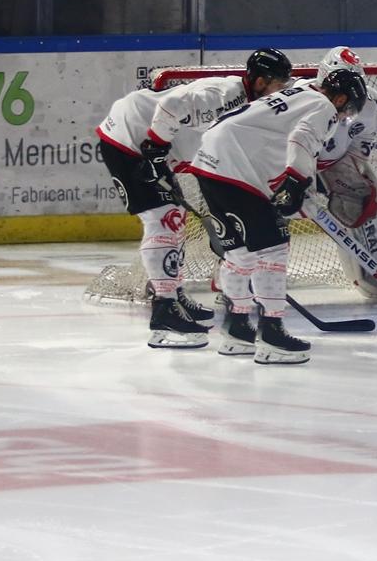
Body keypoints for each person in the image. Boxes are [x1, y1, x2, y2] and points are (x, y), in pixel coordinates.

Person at [95, 48, 293, 348]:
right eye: (279, 83)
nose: (281, 90)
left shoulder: (251, 109)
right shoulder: (226, 93)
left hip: (146, 143)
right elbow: (172, 104)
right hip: (128, 137)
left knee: (174, 219)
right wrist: (155, 149)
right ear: (262, 81)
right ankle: (163, 309)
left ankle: (172, 296)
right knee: (163, 219)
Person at [185, 67, 369, 365]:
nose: (345, 117)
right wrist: (297, 184)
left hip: (210, 163)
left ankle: (238, 329)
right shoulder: (324, 107)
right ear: (341, 99)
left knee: (240, 253)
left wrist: (296, 186)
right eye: (347, 110)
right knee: (273, 248)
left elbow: (274, 142)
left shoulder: (301, 93)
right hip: (235, 169)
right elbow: (301, 140)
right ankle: (272, 334)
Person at [310, 46, 377, 302]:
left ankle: (376, 272)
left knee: (370, 199)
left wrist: (351, 175)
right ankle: (238, 276)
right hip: (288, 165)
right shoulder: (300, 98)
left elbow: (361, 141)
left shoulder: (369, 103)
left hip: (333, 163)